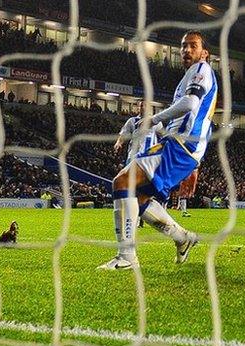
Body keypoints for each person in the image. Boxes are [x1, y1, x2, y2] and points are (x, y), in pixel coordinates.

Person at [98, 30, 217, 270]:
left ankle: (127, 257)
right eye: (183, 46)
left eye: (193, 46)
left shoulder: (202, 70)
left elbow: (191, 104)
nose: (186, 50)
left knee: (121, 182)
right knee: (139, 199)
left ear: (204, 53)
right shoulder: (188, 77)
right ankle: (183, 238)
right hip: (182, 148)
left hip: (182, 146)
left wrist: (153, 120)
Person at [113, 101, 163, 228]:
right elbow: (123, 134)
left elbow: (164, 136)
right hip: (133, 158)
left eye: (144, 105)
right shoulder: (132, 121)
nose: (142, 107)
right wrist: (119, 143)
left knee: (145, 190)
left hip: (149, 160)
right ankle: (135, 218)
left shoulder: (155, 122)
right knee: (131, 189)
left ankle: (143, 216)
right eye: (140, 105)